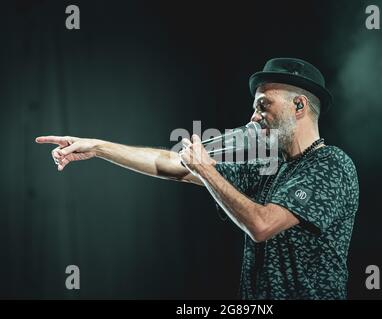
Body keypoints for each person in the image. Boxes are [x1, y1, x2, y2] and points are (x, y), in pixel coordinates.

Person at [36, 58, 359, 300]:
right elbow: (173, 165)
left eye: (263, 106)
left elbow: (262, 226)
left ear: (299, 105)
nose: (254, 117)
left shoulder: (331, 164)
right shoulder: (266, 165)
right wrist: (98, 147)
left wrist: (206, 169)